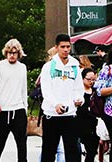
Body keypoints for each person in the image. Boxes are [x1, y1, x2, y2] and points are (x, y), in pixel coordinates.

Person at [40, 34, 85, 162]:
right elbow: (46, 90)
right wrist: (56, 104)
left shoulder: (75, 66)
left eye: (68, 47)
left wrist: (79, 99)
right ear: (56, 47)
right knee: (49, 151)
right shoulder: (48, 67)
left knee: (72, 151)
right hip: (51, 115)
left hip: (70, 115)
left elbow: (79, 88)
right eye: (62, 47)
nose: (65, 50)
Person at [0, 39, 30, 162]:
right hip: (2, 110)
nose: (12, 55)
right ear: (6, 53)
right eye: (9, 53)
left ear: (19, 54)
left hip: (18, 109)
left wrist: (25, 108)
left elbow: (24, 89)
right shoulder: (0, 66)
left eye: (15, 53)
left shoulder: (22, 67)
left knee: (22, 142)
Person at [78, 68, 102, 162]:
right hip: (80, 123)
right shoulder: (78, 92)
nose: (91, 82)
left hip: (94, 125)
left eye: (94, 79)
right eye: (89, 79)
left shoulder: (96, 91)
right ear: (83, 78)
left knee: (92, 151)